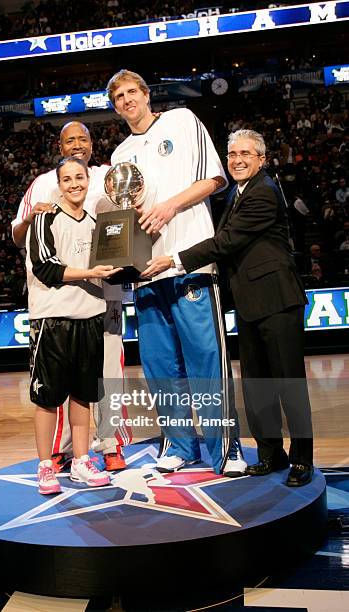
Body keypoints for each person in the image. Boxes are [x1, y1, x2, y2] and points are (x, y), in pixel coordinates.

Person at [143, 129, 314, 487]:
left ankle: (302, 460)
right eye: (232, 153)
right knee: (256, 386)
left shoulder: (264, 193)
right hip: (250, 305)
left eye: (245, 154)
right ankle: (271, 454)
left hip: (279, 301)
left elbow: (226, 242)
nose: (236, 159)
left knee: (288, 385)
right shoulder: (238, 192)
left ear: (261, 159)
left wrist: (174, 259)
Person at [107, 69, 246, 476]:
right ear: (115, 107)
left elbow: (216, 179)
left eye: (134, 92)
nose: (129, 100)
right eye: (120, 97)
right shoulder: (117, 157)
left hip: (190, 261)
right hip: (147, 270)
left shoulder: (182, 120)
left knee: (206, 360)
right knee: (160, 365)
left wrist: (169, 206)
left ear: (148, 95)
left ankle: (226, 447)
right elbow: (122, 216)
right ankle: (180, 445)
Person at [12, 121, 131, 473]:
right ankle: (63, 451)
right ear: (60, 146)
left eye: (83, 138)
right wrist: (31, 218)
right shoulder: (42, 185)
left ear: (93, 145)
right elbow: (19, 235)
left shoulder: (110, 177)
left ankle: (112, 443)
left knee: (107, 371)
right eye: (70, 140)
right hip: (58, 301)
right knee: (65, 380)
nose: (77, 144)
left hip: (103, 297)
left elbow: (127, 224)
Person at [29, 156, 121, 493]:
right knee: (47, 398)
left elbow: (114, 261)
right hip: (52, 319)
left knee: (83, 395)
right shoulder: (45, 218)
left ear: (87, 179)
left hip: (91, 315)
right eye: (67, 179)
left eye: (79, 177)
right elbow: (46, 267)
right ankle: (45, 466)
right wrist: (91, 273)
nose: (74, 184)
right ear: (59, 184)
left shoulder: (98, 221)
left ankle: (81, 461)